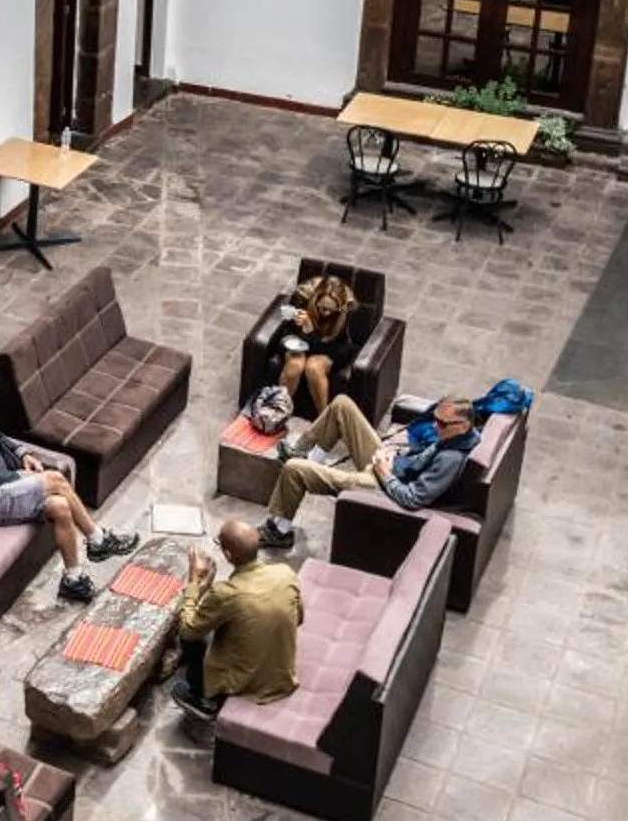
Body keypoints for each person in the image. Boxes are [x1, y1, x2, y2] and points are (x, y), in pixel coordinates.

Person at [0, 369, 136, 601]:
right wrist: (19, 476)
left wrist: (22, 452)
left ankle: (73, 579)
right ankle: (98, 540)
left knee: (59, 506)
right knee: (55, 479)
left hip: (1, 487)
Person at [258, 393, 477, 550]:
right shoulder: (453, 437)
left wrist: (384, 472)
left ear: (462, 425)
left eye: (442, 423)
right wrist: (397, 453)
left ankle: (280, 531)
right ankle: (303, 453)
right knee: (342, 405)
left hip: (383, 489)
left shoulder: (451, 458)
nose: (435, 427)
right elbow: (422, 457)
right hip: (393, 466)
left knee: (294, 470)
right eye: (435, 419)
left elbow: (413, 499)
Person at [169, 517, 302, 725]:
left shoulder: (226, 593)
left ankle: (204, 698)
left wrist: (194, 581)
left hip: (247, 682)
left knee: (192, 636)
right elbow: (299, 618)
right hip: (281, 672)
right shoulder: (285, 573)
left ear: (228, 555)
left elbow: (187, 629)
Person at [270, 272, 359, 418]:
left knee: (314, 367)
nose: (325, 313)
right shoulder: (302, 299)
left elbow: (342, 349)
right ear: (315, 298)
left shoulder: (348, 311)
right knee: (295, 364)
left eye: (331, 310)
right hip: (300, 344)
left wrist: (310, 335)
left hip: (331, 349)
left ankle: (322, 419)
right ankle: (279, 411)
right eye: (322, 308)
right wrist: (298, 327)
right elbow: (285, 336)